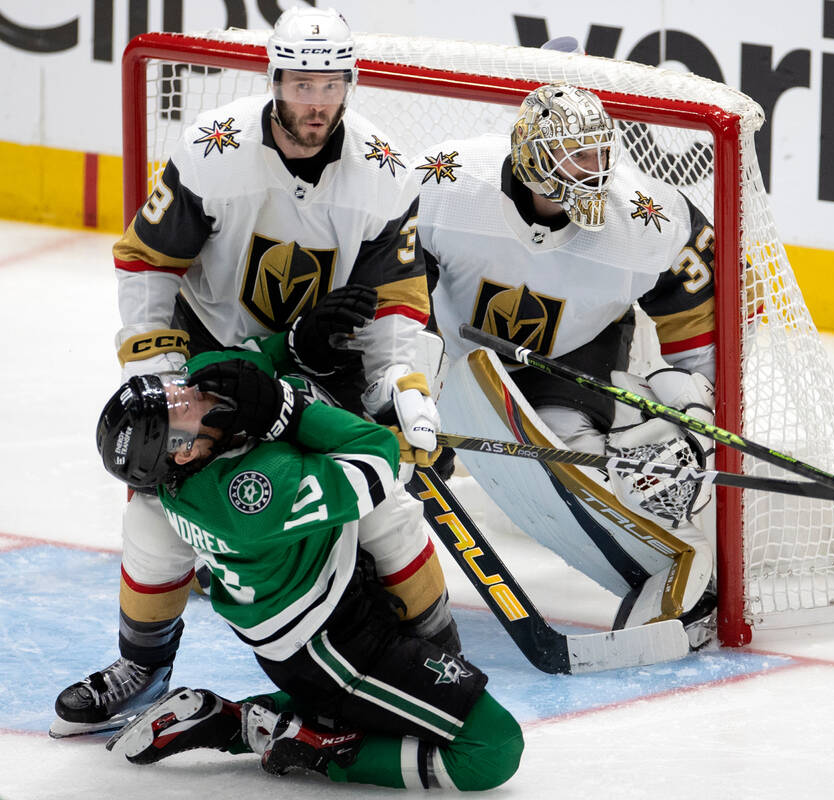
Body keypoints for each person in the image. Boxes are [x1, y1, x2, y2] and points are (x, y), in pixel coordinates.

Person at [52, 6, 450, 738]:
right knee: (153, 511)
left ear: (349, 83)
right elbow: (148, 263)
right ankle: (143, 668)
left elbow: (398, 305)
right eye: (302, 82)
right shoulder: (213, 148)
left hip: (317, 370)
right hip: (211, 364)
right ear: (275, 81)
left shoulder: (386, 172)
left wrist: (405, 388)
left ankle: (437, 659)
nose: (316, 101)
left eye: (330, 83)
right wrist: (167, 380)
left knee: (390, 508)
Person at [94, 339, 522, 791]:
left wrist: (302, 339)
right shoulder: (248, 497)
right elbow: (376, 459)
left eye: (171, 387)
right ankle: (313, 749)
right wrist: (287, 411)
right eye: (176, 406)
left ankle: (240, 721)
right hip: (335, 651)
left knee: (417, 713)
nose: (186, 390)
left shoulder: (200, 431)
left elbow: (246, 358)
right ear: (184, 452)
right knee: (494, 747)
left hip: (325, 623)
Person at [416, 82, 720, 647]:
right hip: (453, 346)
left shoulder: (647, 220)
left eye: (601, 153)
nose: (596, 170)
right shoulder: (449, 184)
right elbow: (398, 289)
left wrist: (696, 407)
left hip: (576, 353)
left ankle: (672, 565)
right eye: (577, 155)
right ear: (532, 157)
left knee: (573, 466)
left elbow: (700, 326)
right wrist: (408, 386)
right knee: (374, 443)